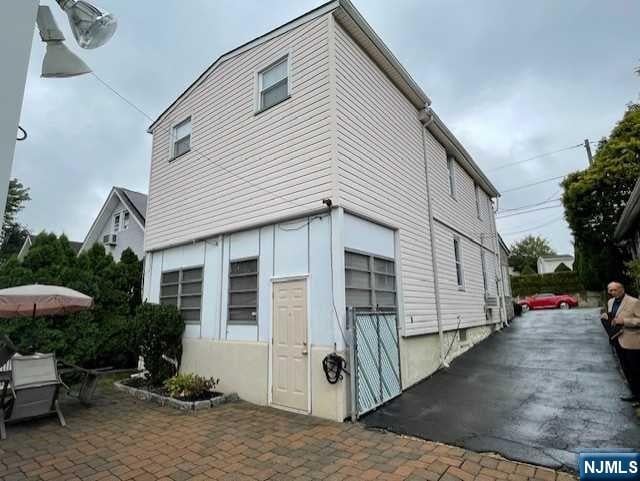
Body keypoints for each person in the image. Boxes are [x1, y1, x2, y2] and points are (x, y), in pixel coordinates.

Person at [601, 281, 640, 406]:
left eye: (614, 290)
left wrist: (625, 321)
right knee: (626, 369)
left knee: (636, 370)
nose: (612, 293)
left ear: (622, 289)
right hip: (617, 340)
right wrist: (607, 317)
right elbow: (614, 317)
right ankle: (634, 394)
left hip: (632, 341)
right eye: (610, 290)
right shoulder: (610, 302)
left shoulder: (634, 302)